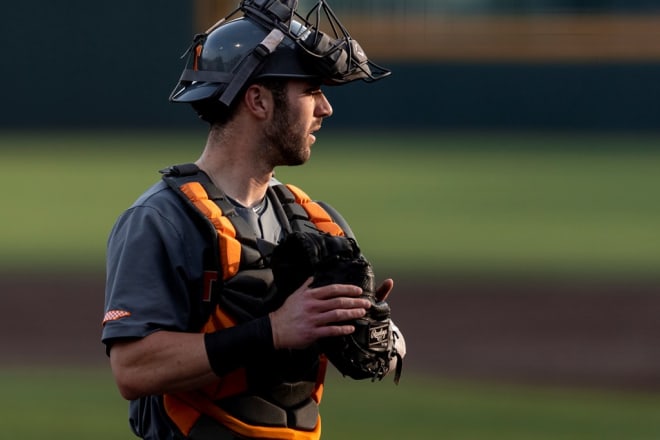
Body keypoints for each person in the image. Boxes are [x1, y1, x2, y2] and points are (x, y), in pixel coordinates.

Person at [101, 1, 405, 439]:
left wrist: (369, 325)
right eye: (312, 89)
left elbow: (371, 345)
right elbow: (132, 369)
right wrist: (275, 330)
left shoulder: (317, 223)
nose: (325, 109)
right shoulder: (162, 221)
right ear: (258, 100)